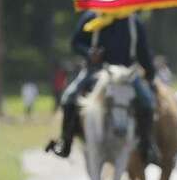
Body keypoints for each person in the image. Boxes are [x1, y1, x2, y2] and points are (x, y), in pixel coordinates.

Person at [46, 12, 159, 164]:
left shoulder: (134, 22)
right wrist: (88, 53)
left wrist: (150, 74)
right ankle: (66, 142)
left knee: (147, 101)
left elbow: (143, 52)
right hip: (96, 71)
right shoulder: (92, 17)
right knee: (69, 97)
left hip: (126, 74)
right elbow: (76, 42)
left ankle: (146, 146)